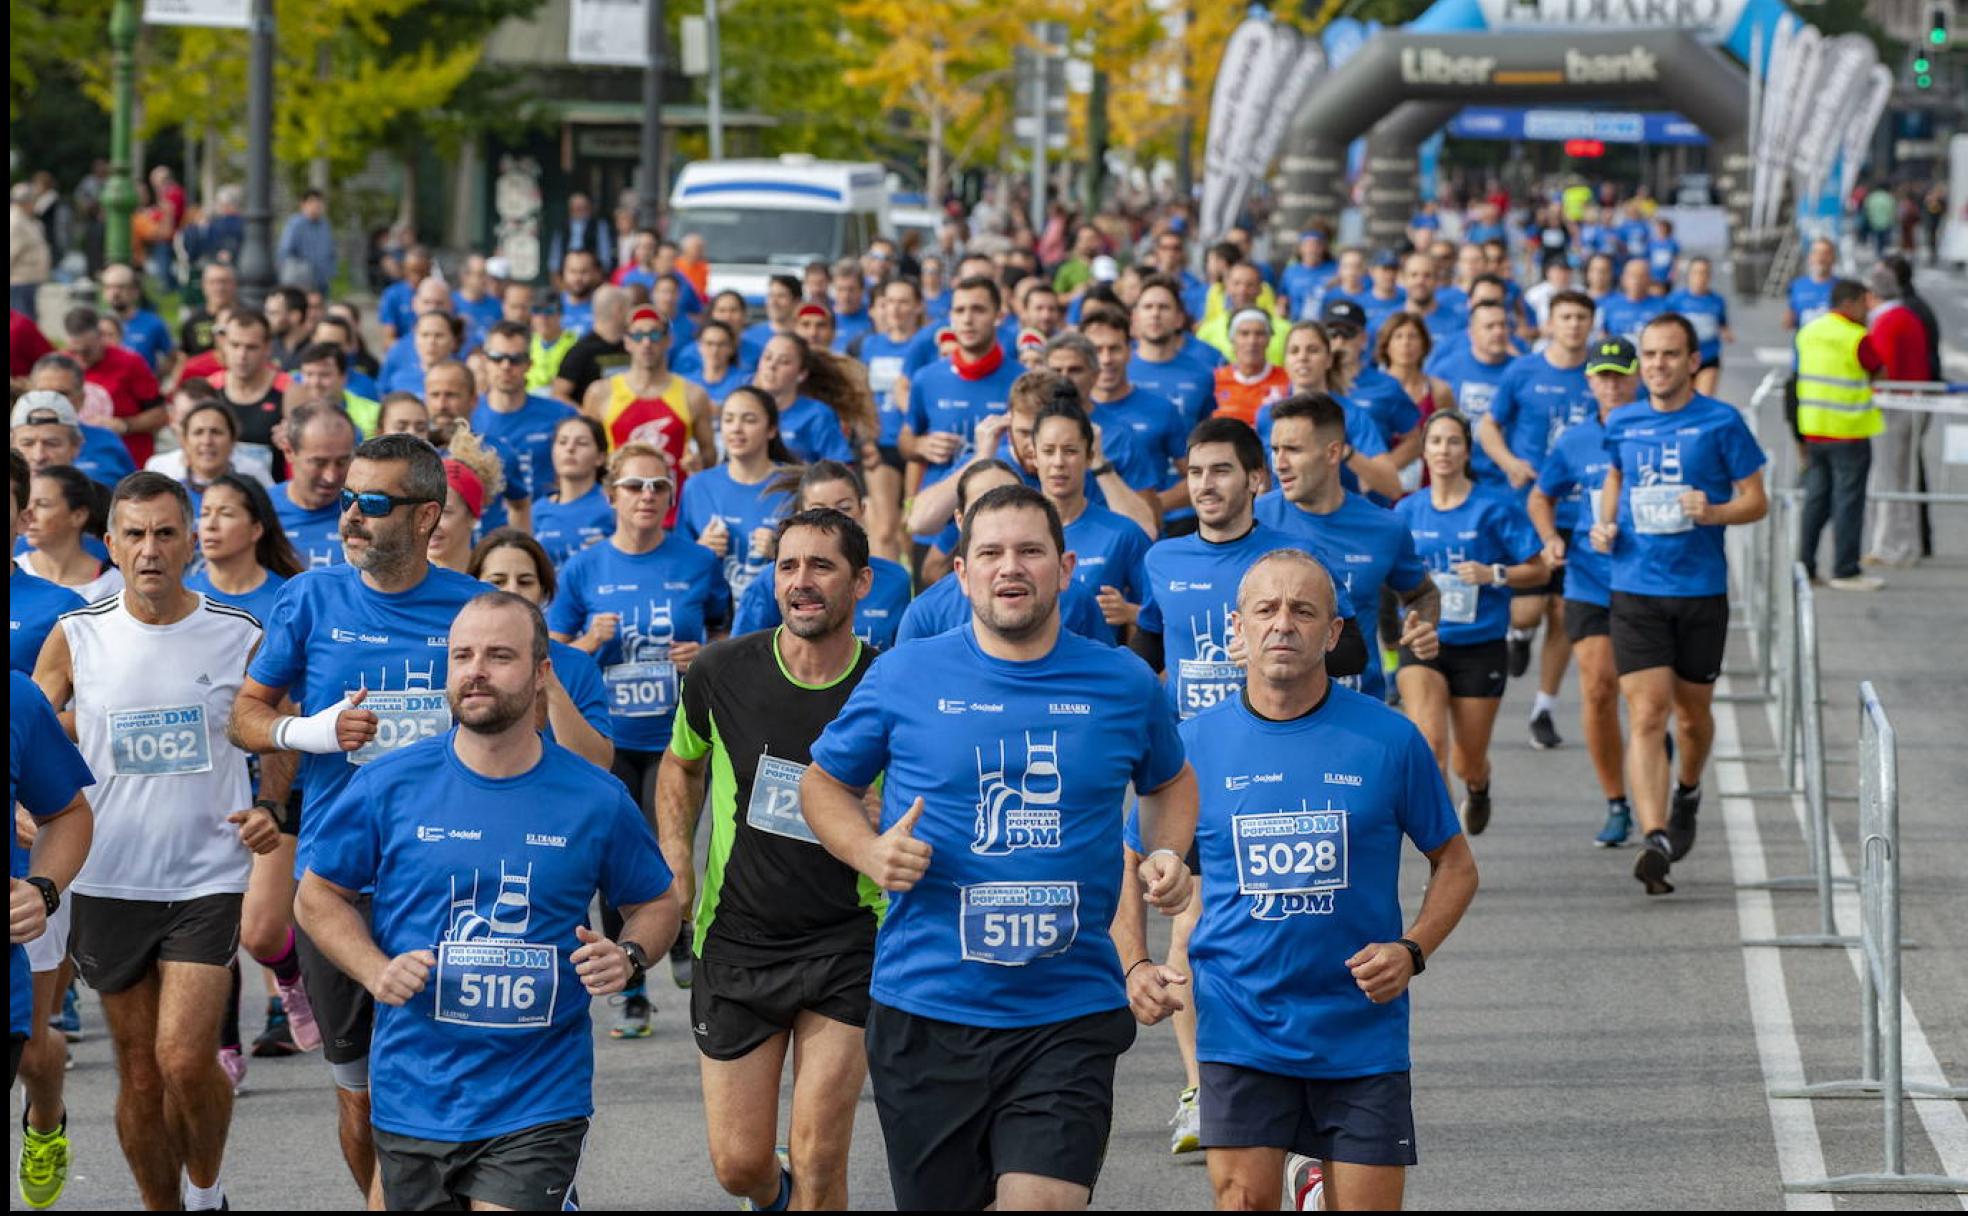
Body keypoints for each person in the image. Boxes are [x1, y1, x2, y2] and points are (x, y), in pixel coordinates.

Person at [801, 483, 1198, 1211]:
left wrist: (1165, 852)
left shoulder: (1122, 682)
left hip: (1067, 1009)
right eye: (990, 552)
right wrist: (867, 851)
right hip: (928, 1009)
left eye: (1029, 551)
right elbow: (822, 784)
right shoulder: (904, 674)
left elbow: (1170, 782)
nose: (1009, 567)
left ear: (1065, 566)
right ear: (961, 572)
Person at [295, 591, 677, 1212]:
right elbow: (317, 896)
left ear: (542, 673)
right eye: (462, 655)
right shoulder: (387, 784)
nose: (475, 670)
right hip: (414, 1089)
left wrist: (629, 954)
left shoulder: (595, 798)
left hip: (538, 1093)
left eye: (499, 655)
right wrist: (374, 968)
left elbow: (658, 902)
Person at [1168, 549, 1476, 1211]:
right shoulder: (1190, 747)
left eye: (1304, 611)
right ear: (1236, 629)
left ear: (1332, 633)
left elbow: (1456, 864)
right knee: (1244, 1203)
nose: (1284, 624)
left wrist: (1412, 949)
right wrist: (1140, 951)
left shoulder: (1391, 741)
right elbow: (1137, 862)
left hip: (1359, 1033)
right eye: (1266, 610)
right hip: (1242, 1026)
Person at [229, 433, 490, 1204]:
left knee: (460, 1084)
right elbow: (246, 715)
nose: (351, 517)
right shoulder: (309, 598)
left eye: (373, 503)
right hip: (338, 884)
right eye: (347, 499)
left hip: (448, 878)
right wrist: (309, 732)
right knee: (361, 1094)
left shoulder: (471, 610)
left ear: (426, 517)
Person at [33, 472, 283, 1211]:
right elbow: (32, 724)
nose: (150, 550)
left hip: (208, 874)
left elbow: (275, 724)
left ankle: (205, 1192)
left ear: (189, 542)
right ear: (109, 544)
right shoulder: (78, 632)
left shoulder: (237, 632)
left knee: (183, 1057)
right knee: (140, 1073)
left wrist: (273, 803)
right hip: (107, 876)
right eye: (134, 535)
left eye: (165, 533)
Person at [659, 507, 886, 1210]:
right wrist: (678, 870)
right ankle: (774, 1194)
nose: (802, 581)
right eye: (788, 565)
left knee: (820, 1153)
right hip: (737, 940)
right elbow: (680, 765)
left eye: (822, 565)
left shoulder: (889, 682)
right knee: (739, 1166)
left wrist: (882, 819)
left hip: (848, 938)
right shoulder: (721, 671)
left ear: (862, 582)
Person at [548, 444, 731, 1038]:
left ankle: (677, 929)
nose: (647, 496)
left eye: (659, 486)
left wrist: (704, 657)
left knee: (667, 846)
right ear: (611, 496)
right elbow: (549, 654)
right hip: (609, 736)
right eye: (635, 486)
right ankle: (630, 987)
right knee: (610, 859)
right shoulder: (583, 569)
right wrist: (590, 643)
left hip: (676, 734)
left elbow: (724, 635)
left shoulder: (699, 563)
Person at [1591, 314, 1767, 895]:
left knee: (1692, 717)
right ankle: (1656, 836)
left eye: (1670, 355)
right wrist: (1604, 523)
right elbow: (1615, 475)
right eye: (1650, 355)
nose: (1658, 366)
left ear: (1693, 362)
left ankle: (1688, 790)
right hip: (1635, 586)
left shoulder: (1721, 422)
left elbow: (1756, 501)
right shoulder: (1624, 420)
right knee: (1647, 712)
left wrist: (1713, 512)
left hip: (1699, 590)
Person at [186, 473, 322, 1068]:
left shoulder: (290, 595)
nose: (209, 524)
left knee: (262, 932)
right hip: (201, 782)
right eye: (204, 513)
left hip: (278, 774)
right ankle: (224, 1046)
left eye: (224, 513)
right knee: (211, 922)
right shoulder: (183, 595)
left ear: (258, 527)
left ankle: (291, 977)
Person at [1394, 410, 1548, 832]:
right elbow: (1385, 574)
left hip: (1479, 645)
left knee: (1468, 759)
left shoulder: (1494, 508)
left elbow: (1539, 570)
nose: (1443, 450)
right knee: (1431, 744)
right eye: (1436, 442)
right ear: (1424, 451)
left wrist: (1493, 573)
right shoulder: (1406, 512)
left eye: (1453, 442)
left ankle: (1478, 787)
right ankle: (1444, 851)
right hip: (1424, 641)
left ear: (1467, 450)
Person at [1256, 393, 1441, 703]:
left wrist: (1421, 625)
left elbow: (1422, 593)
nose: (1279, 464)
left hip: (1358, 704)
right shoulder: (1252, 520)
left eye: (1293, 450)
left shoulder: (1384, 527)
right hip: (1273, 710)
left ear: (1333, 453)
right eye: (1275, 450)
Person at [1476, 288, 1598, 743]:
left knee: (1565, 610)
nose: (1573, 325)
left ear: (1590, 324)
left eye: (1581, 317)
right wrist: (1508, 462)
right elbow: (1489, 424)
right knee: (1529, 609)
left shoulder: (1599, 374)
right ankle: (1519, 635)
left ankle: (1543, 708)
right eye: (1565, 317)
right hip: (1530, 505)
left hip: (1583, 511)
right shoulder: (1523, 371)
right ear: (1549, 323)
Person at [1532, 338, 1637, 846]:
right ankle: (1617, 801)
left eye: (1621, 375)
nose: (1612, 385)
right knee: (1598, 687)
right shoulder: (1573, 440)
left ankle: (1673, 786)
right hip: (1589, 581)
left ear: (1636, 379)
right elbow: (1540, 496)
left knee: (1653, 703)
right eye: (1604, 376)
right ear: (1591, 382)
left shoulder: (1653, 431)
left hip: (1653, 583)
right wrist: (1551, 537)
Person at [9, 671, 94, 1209]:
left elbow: (66, 812)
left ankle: (45, 1121)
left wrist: (42, 890)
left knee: (37, 1051)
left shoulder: (17, 696)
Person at [467, 528, 614, 769]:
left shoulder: (578, 666)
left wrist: (549, 681)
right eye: (497, 581)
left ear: (544, 592)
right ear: (473, 589)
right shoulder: (457, 664)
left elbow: (598, 764)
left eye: (525, 582)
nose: (512, 590)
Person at [731, 461, 916, 651]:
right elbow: (741, 657)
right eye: (818, 510)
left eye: (844, 508)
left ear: (863, 510)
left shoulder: (895, 580)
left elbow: (903, 660)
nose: (833, 521)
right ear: (800, 514)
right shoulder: (770, 581)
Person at [901, 275, 1022, 546]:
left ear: (998, 315)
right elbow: (906, 441)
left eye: (978, 309)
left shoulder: (1022, 382)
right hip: (937, 519)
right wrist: (920, 444)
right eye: (960, 310)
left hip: (1001, 519)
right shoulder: (926, 378)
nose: (967, 319)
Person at [1792, 279, 1885, 591]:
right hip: (1848, 430)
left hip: (1814, 429)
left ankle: (1804, 564)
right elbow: (1877, 369)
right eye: (1863, 303)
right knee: (1848, 503)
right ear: (1849, 304)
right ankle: (1845, 569)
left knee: (1815, 501)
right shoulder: (1856, 336)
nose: (1866, 310)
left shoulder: (1808, 332)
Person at [678, 386, 797, 604]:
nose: (736, 429)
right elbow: (677, 564)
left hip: (778, 618)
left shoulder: (794, 485)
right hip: (715, 618)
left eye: (749, 420)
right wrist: (701, 550)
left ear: (771, 429)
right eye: (728, 419)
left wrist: (781, 553)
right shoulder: (696, 486)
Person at [586, 306, 718, 483]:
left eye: (654, 335)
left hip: (675, 504)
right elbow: (586, 452)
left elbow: (709, 453)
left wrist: (698, 462)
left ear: (668, 340)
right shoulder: (601, 392)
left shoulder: (693, 394)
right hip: (618, 504)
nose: (646, 342)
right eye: (638, 336)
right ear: (627, 342)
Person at [1861, 262, 1933, 571]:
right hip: (1912, 403)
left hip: (1894, 406)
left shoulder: (1888, 321)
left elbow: (1883, 366)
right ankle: (1904, 543)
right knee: (1902, 479)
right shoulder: (1907, 316)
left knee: (1889, 479)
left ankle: (1890, 545)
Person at [471, 319, 577, 506]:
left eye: (515, 359)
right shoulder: (468, 416)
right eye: (497, 357)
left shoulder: (561, 415)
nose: (506, 366)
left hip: (542, 523)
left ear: (529, 363)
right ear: (485, 361)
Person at [65, 306, 167, 466]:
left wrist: (124, 425)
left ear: (100, 337)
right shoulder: (62, 364)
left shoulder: (130, 363)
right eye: (74, 351)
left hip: (126, 463)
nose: (80, 358)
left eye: (87, 351)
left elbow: (161, 414)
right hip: (79, 463)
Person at [272, 403, 358, 570]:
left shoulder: (366, 512)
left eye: (342, 462)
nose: (331, 476)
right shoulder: (260, 510)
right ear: (289, 452)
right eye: (319, 463)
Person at [16, 465, 122, 603]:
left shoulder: (114, 586)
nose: (28, 514)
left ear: (78, 516)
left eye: (42, 504)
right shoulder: (14, 571)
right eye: (26, 504)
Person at [1128, 276, 1218, 431]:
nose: (1155, 314)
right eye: (1148, 307)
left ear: (1179, 319)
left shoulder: (1202, 374)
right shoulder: (1117, 372)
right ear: (1135, 318)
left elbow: (1205, 436)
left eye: (1164, 307)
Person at [13, 379, 137, 488]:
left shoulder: (97, 503)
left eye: (51, 444)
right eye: (27, 444)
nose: (38, 456)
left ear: (76, 446)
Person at [531, 413, 616, 568]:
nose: (570, 448)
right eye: (562, 442)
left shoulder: (613, 504)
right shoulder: (537, 510)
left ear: (600, 458)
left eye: (582, 443)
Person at [425, 427, 510, 574]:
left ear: (473, 517)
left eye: (445, 512)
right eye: (425, 512)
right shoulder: (398, 586)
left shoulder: (493, 584)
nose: (432, 523)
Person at [1662, 256, 1731, 397]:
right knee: (1682, 399)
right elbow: (1664, 326)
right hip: (1683, 358)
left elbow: (1722, 323)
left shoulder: (1717, 301)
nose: (1700, 277)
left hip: (1708, 356)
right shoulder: (1675, 300)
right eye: (1696, 272)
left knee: (1703, 399)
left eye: (1705, 273)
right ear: (1689, 275)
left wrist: (1726, 332)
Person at [552, 285, 631, 408]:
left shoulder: (631, 346)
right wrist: (586, 416)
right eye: (629, 307)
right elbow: (558, 395)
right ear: (618, 309)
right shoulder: (581, 351)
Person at [98, 262, 176, 378]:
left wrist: (153, 380)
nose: (115, 293)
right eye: (109, 287)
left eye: (121, 287)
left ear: (135, 291)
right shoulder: (96, 325)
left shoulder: (153, 323)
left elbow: (173, 357)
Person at [275, 189, 337, 293]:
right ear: (303, 204)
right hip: (301, 280)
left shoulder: (325, 225)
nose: (316, 205)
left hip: (322, 280)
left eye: (319, 202)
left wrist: (331, 271)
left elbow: (330, 251)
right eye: (312, 201)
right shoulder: (295, 224)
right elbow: (285, 251)